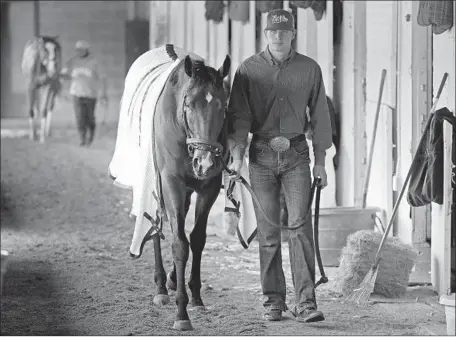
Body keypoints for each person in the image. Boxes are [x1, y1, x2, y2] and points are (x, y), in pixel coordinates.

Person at [226, 8, 332, 323]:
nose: (279, 36)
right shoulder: (247, 70)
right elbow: (238, 116)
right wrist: (236, 154)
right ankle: (273, 300)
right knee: (270, 232)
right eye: (273, 31)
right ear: (266, 33)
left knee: (300, 229)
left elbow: (321, 117)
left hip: (298, 155)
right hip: (260, 155)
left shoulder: (310, 69)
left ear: (293, 33)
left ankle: (306, 303)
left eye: (284, 31)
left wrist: (322, 162)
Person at [61, 40, 108, 146]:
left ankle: (90, 136)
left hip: (91, 94)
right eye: (77, 50)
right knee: (79, 117)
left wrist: (103, 93)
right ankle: (82, 139)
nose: (78, 52)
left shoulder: (94, 62)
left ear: (86, 50)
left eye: (81, 50)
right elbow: (64, 75)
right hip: (76, 94)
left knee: (90, 117)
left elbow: (102, 78)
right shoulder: (72, 62)